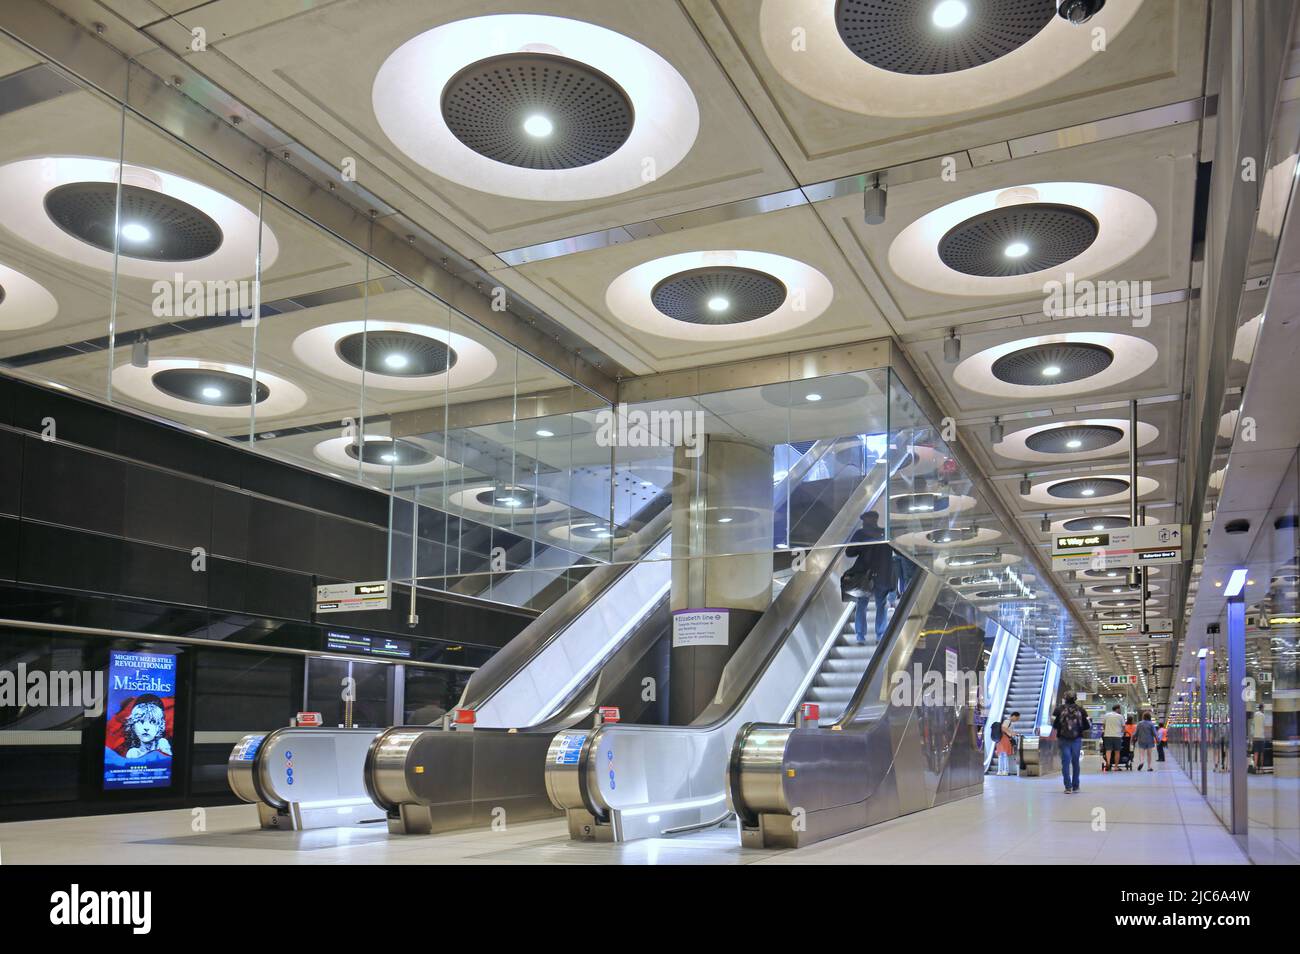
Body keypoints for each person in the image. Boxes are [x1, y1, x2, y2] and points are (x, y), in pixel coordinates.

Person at [843, 511, 896, 644]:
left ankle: (861, 636)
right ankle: (879, 635)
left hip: (864, 575)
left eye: (865, 520)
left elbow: (849, 552)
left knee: (862, 605)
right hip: (881, 575)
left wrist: (862, 544)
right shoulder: (885, 533)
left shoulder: (860, 534)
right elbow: (895, 553)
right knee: (880, 604)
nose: (864, 522)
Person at [1052, 691, 1090, 794]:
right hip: (1076, 739)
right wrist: (1078, 729)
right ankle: (1076, 786)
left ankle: (1068, 787)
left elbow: (1055, 725)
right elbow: (1087, 726)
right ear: (1075, 698)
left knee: (1065, 763)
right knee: (1075, 762)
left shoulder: (1059, 709)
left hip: (1063, 739)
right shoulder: (1081, 710)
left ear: (1065, 698)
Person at [995, 710, 1019, 775]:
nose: (1017, 720)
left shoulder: (1006, 721)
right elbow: (1003, 728)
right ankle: (1005, 771)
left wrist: (1012, 732)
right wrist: (1010, 733)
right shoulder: (1008, 721)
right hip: (1004, 739)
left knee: (1001, 755)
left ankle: (1000, 771)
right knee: (1005, 755)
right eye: (1017, 718)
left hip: (1000, 739)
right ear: (1013, 716)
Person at [1101, 704, 1124, 772]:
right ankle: (1116, 767)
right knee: (1117, 751)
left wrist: (1106, 731)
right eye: (1119, 709)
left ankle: (1108, 763)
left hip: (1107, 735)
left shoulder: (1106, 715)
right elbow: (1123, 727)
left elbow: (1104, 725)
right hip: (1117, 736)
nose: (1120, 710)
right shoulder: (1120, 716)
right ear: (1117, 709)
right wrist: (1121, 733)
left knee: (1108, 750)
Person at [1251, 705, 1267, 772]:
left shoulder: (1255, 714)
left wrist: (1252, 735)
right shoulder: (1263, 716)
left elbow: (1252, 724)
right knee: (1262, 753)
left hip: (1255, 737)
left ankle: (1255, 767)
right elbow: (1264, 725)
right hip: (1261, 737)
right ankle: (1261, 768)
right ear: (1262, 708)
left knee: (1256, 753)